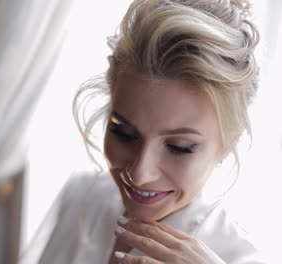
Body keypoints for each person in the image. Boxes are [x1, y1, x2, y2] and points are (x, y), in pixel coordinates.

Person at [19, 0, 266, 263]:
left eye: (179, 147)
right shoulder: (83, 196)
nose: (139, 174)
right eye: (123, 133)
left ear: (228, 143)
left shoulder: (238, 256)